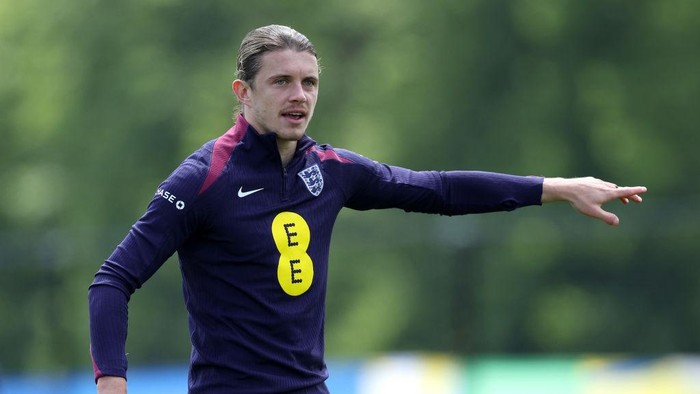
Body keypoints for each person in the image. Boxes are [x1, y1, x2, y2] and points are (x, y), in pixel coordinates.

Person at [88, 24, 647, 394]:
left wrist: (556, 187)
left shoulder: (329, 169)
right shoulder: (203, 178)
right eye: (280, 82)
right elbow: (113, 280)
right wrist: (112, 380)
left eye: (309, 82)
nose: (298, 96)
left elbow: (437, 190)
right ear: (243, 91)